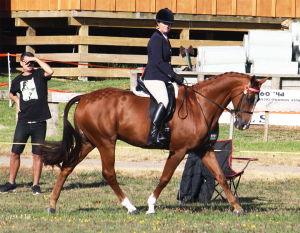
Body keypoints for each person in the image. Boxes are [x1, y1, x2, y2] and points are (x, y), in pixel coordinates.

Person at [0, 52, 54, 195]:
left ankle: (35, 185)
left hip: (39, 122)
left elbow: (51, 71)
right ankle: (11, 182)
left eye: (31, 62)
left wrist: (36, 59)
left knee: (37, 155)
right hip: (23, 122)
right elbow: (12, 93)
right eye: (26, 61)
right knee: (15, 152)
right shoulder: (17, 80)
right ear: (21, 63)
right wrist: (17, 101)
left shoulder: (39, 75)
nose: (29, 64)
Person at [142, 8, 184, 146]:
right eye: (165, 23)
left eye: (170, 23)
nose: (168, 25)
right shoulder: (156, 39)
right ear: (158, 23)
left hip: (161, 76)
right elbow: (159, 61)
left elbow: (166, 63)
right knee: (164, 100)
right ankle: (153, 134)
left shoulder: (164, 39)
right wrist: (173, 75)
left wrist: (174, 76)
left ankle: (167, 129)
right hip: (153, 77)